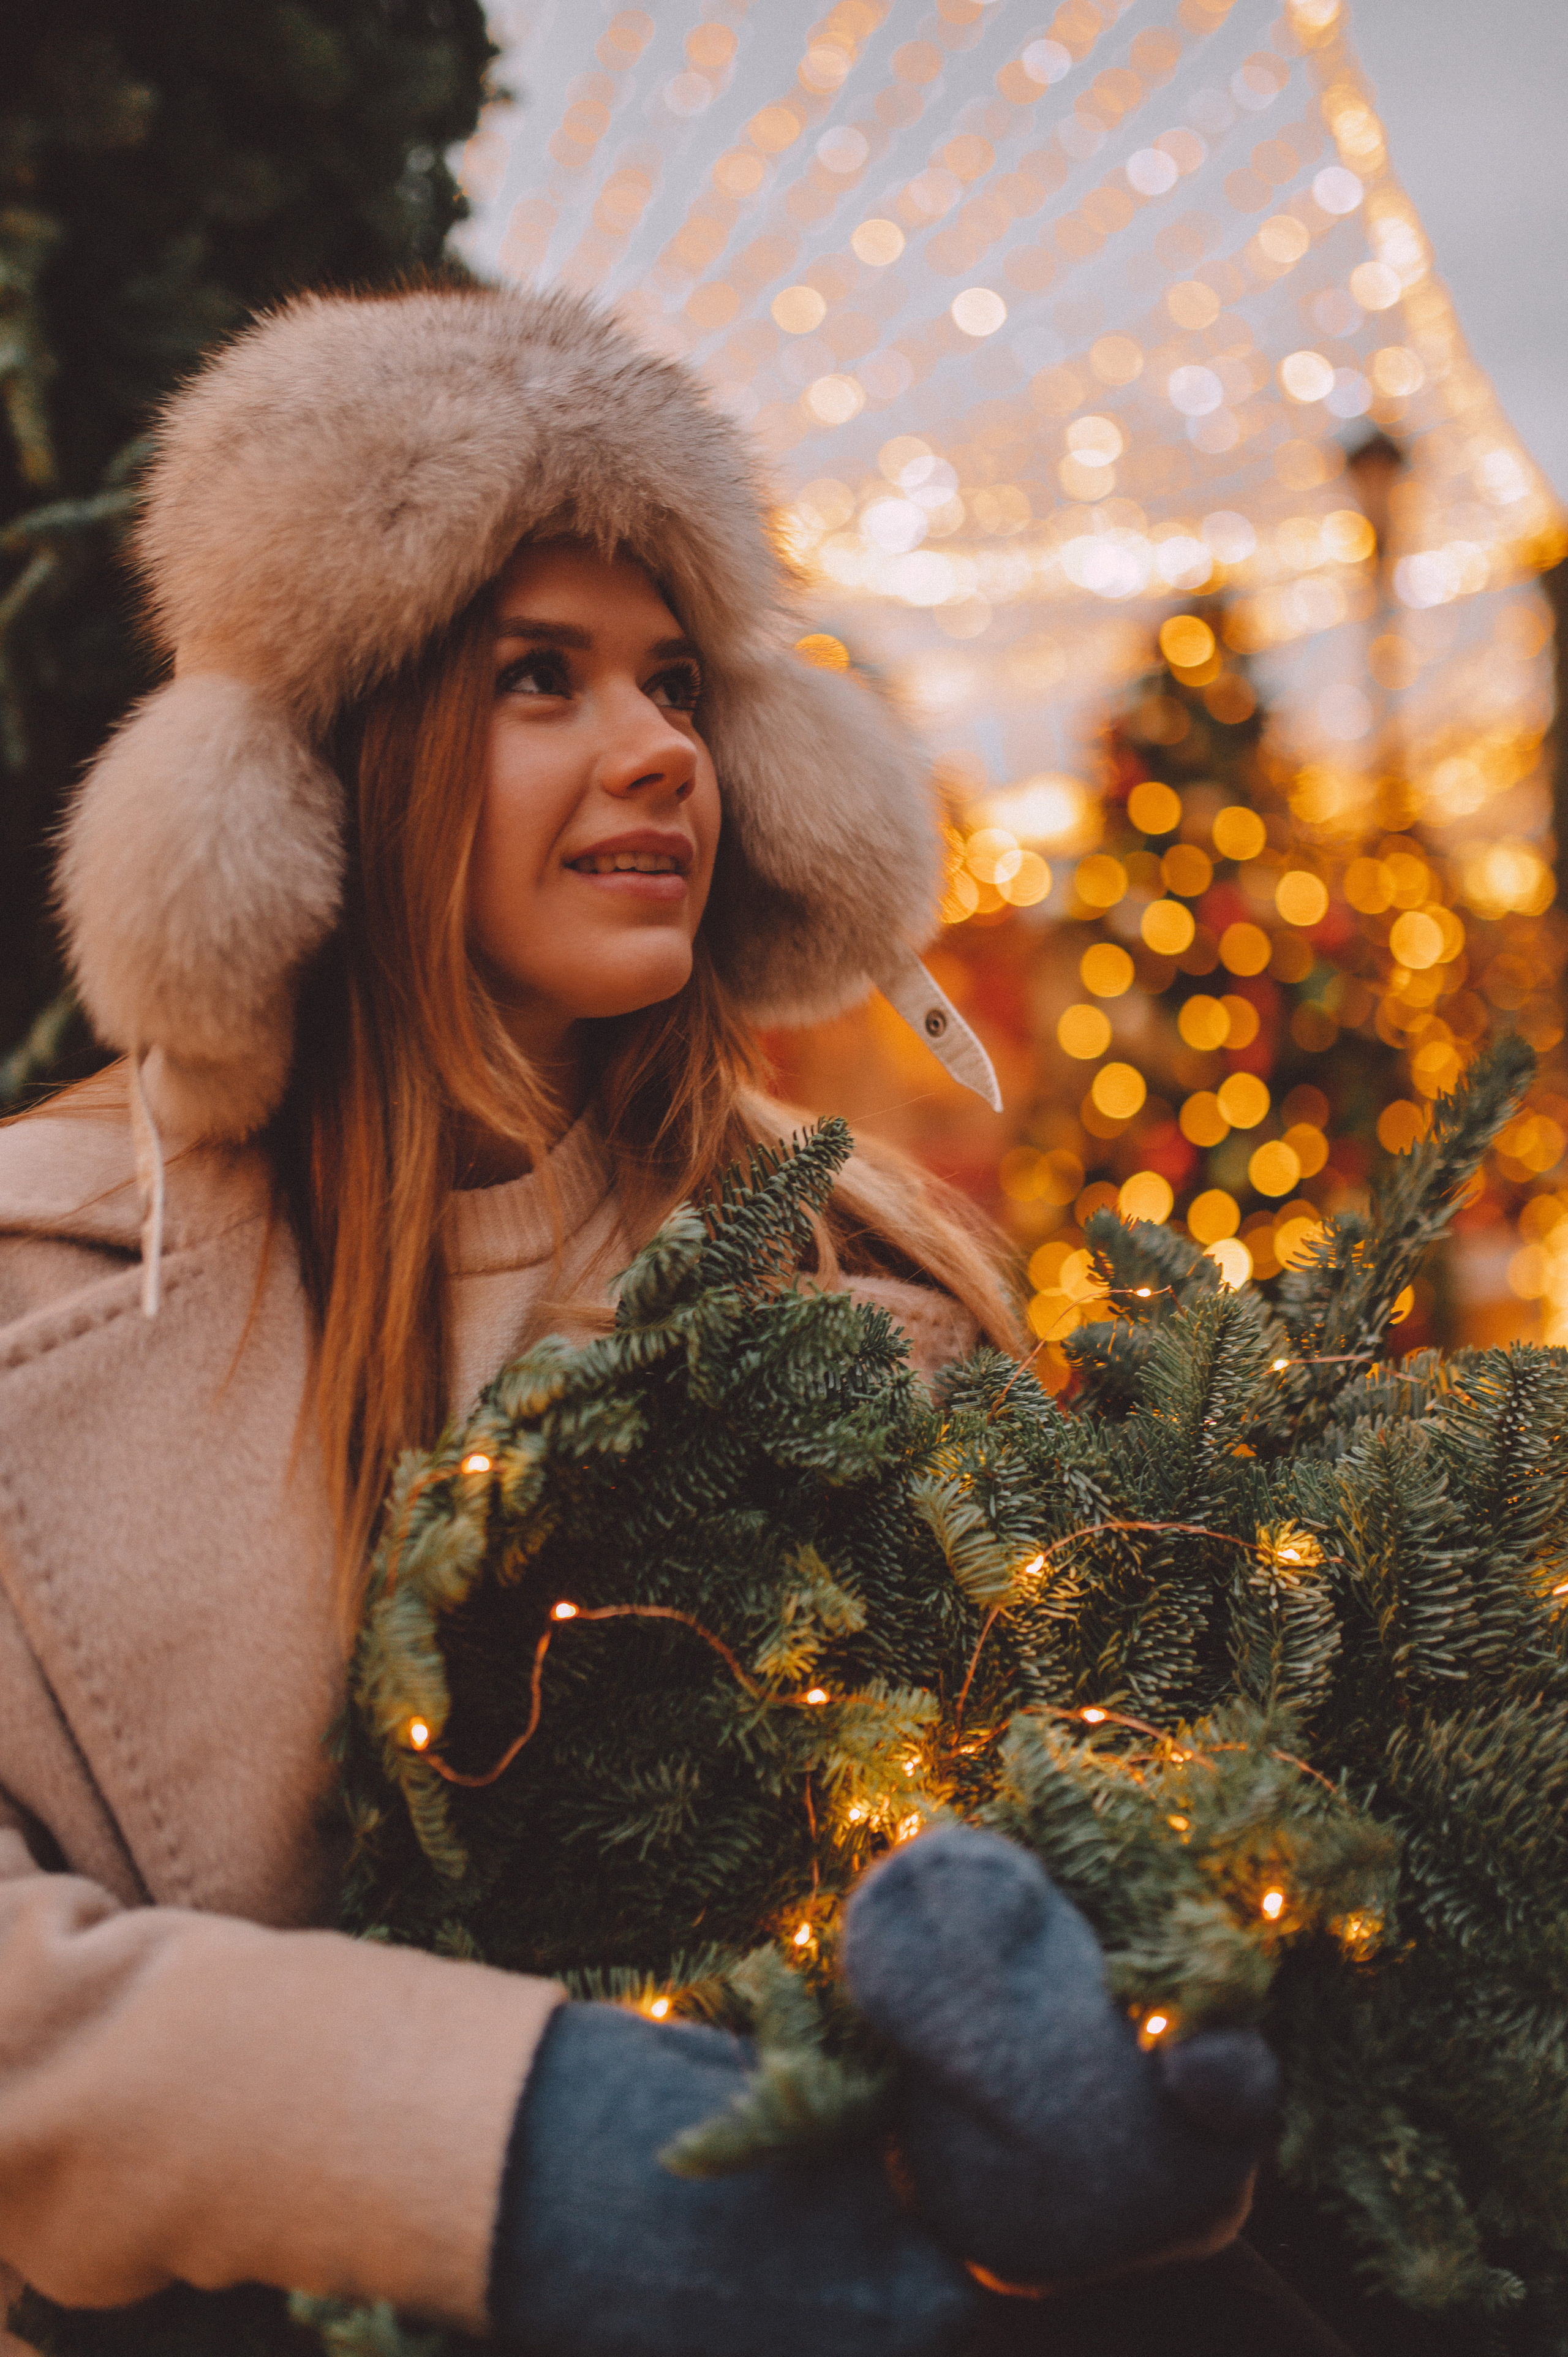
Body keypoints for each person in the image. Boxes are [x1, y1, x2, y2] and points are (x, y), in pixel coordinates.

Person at [0, 284, 1309, 2357]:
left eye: (682, 681)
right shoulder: (52, 1303)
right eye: (542, 676)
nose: (659, 752)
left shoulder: (861, 1271)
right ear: (328, 771)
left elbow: (1084, 1777)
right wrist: (519, 2155)